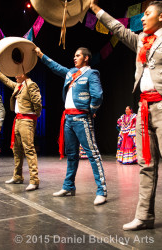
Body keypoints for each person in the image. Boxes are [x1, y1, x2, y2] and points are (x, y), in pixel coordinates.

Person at [90, 0, 162, 248]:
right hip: (144, 110)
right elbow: (119, 31)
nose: (142, 19)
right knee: (145, 166)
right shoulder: (142, 40)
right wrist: (95, 9)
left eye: (148, 14)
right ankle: (144, 216)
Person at [34, 46, 107, 206]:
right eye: (74, 56)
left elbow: (98, 95)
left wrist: (91, 110)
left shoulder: (91, 73)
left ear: (86, 58)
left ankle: (101, 191)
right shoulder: (71, 72)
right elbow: (56, 67)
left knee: (92, 154)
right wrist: (41, 55)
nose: (74, 58)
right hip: (68, 118)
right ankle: (69, 186)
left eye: (78, 55)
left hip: (82, 117)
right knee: (72, 154)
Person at [0, 63, 42, 191]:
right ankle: (17, 176)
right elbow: (7, 82)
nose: (15, 76)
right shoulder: (19, 86)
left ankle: (34, 180)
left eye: (17, 73)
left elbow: (37, 102)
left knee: (29, 149)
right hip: (18, 120)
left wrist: (34, 116)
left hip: (27, 120)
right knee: (17, 149)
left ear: (23, 73)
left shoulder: (30, 84)